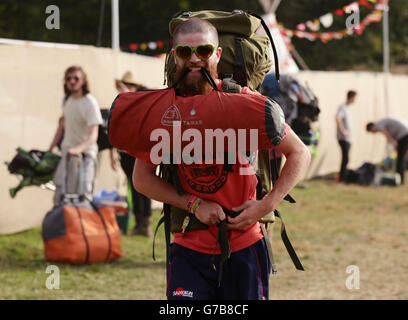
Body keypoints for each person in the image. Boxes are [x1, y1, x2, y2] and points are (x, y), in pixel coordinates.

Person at [131, 18, 311, 300]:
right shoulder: (165, 111)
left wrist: (266, 205)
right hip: (188, 247)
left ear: (217, 54)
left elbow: (300, 152)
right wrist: (194, 204)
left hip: (245, 246)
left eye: (203, 51)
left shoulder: (244, 103)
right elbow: (141, 178)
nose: (193, 60)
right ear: (173, 55)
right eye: (183, 52)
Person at [49, 66, 102, 205]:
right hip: (67, 155)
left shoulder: (90, 102)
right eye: (68, 78)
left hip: (85, 157)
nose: (72, 81)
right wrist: (49, 149)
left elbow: (93, 136)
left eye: (76, 78)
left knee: (82, 197)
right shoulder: (66, 100)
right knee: (60, 195)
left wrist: (78, 149)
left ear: (83, 81)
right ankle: (62, 225)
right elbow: (61, 127)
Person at [110, 71, 152, 237]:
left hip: (138, 151)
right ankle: (139, 223)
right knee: (133, 186)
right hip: (125, 151)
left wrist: (128, 95)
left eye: (129, 85)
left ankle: (144, 224)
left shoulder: (143, 99)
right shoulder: (122, 102)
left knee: (143, 186)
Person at [366, 117, 408, 184]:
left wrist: (393, 143)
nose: (374, 133)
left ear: (372, 127)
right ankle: (399, 179)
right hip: (404, 134)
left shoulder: (378, 125)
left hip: (404, 135)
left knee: (400, 160)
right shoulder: (381, 123)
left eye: (372, 132)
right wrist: (395, 145)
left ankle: (400, 180)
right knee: (401, 158)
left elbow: (386, 134)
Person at [335, 90, 357, 182]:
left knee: (346, 158)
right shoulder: (343, 107)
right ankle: (341, 179)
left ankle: (342, 177)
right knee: (345, 158)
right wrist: (342, 131)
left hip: (348, 138)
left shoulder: (347, 108)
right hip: (343, 138)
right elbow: (338, 117)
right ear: (351, 97)